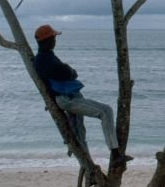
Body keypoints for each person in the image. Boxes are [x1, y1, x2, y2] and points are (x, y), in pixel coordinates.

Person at [32, 24, 132, 168]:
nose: (55, 40)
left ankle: (89, 167)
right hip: (68, 99)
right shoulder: (43, 59)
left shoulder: (46, 56)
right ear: (47, 40)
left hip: (69, 97)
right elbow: (65, 72)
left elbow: (63, 72)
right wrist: (70, 70)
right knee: (105, 111)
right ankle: (115, 153)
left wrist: (67, 70)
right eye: (53, 37)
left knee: (79, 134)